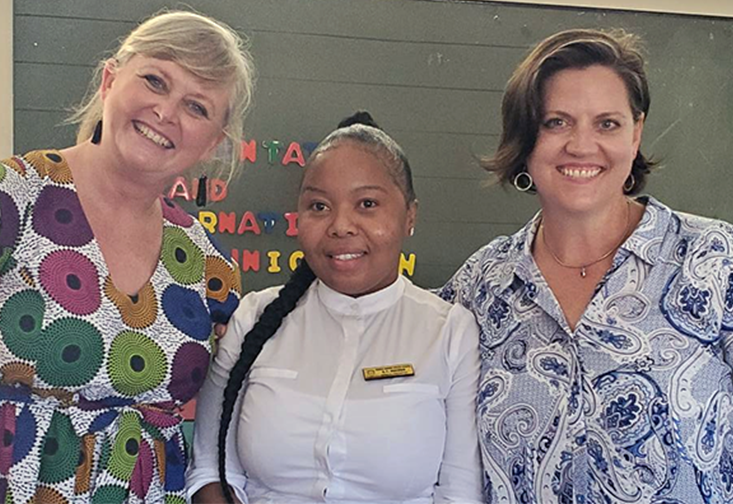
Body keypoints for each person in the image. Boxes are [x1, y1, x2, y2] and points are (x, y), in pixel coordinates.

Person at [439, 28, 733, 504]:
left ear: (636, 133)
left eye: (607, 124)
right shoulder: (482, 285)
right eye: (556, 122)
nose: (581, 145)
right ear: (525, 137)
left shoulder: (714, 262)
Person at [0, 10, 253, 504]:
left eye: (197, 107)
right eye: (155, 80)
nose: (166, 112)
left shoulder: (208, 266)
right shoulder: (16, 197)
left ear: (213, 144)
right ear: (110, 80)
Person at [187, 112, 484, 504]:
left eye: (366, 204)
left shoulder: (450, 333)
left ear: (409, 216)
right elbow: (210, 469)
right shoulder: (253, 319)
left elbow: (460, 492)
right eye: (319, 206)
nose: (341, 226)